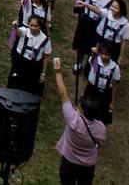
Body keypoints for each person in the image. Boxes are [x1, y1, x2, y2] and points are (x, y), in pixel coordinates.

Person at [52, 57, 108, 185]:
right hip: (88, 166)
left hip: (69, 161)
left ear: (82, 111)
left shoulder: (73, 119)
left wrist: (58, 72)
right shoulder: (101, 128)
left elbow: (63, 94)